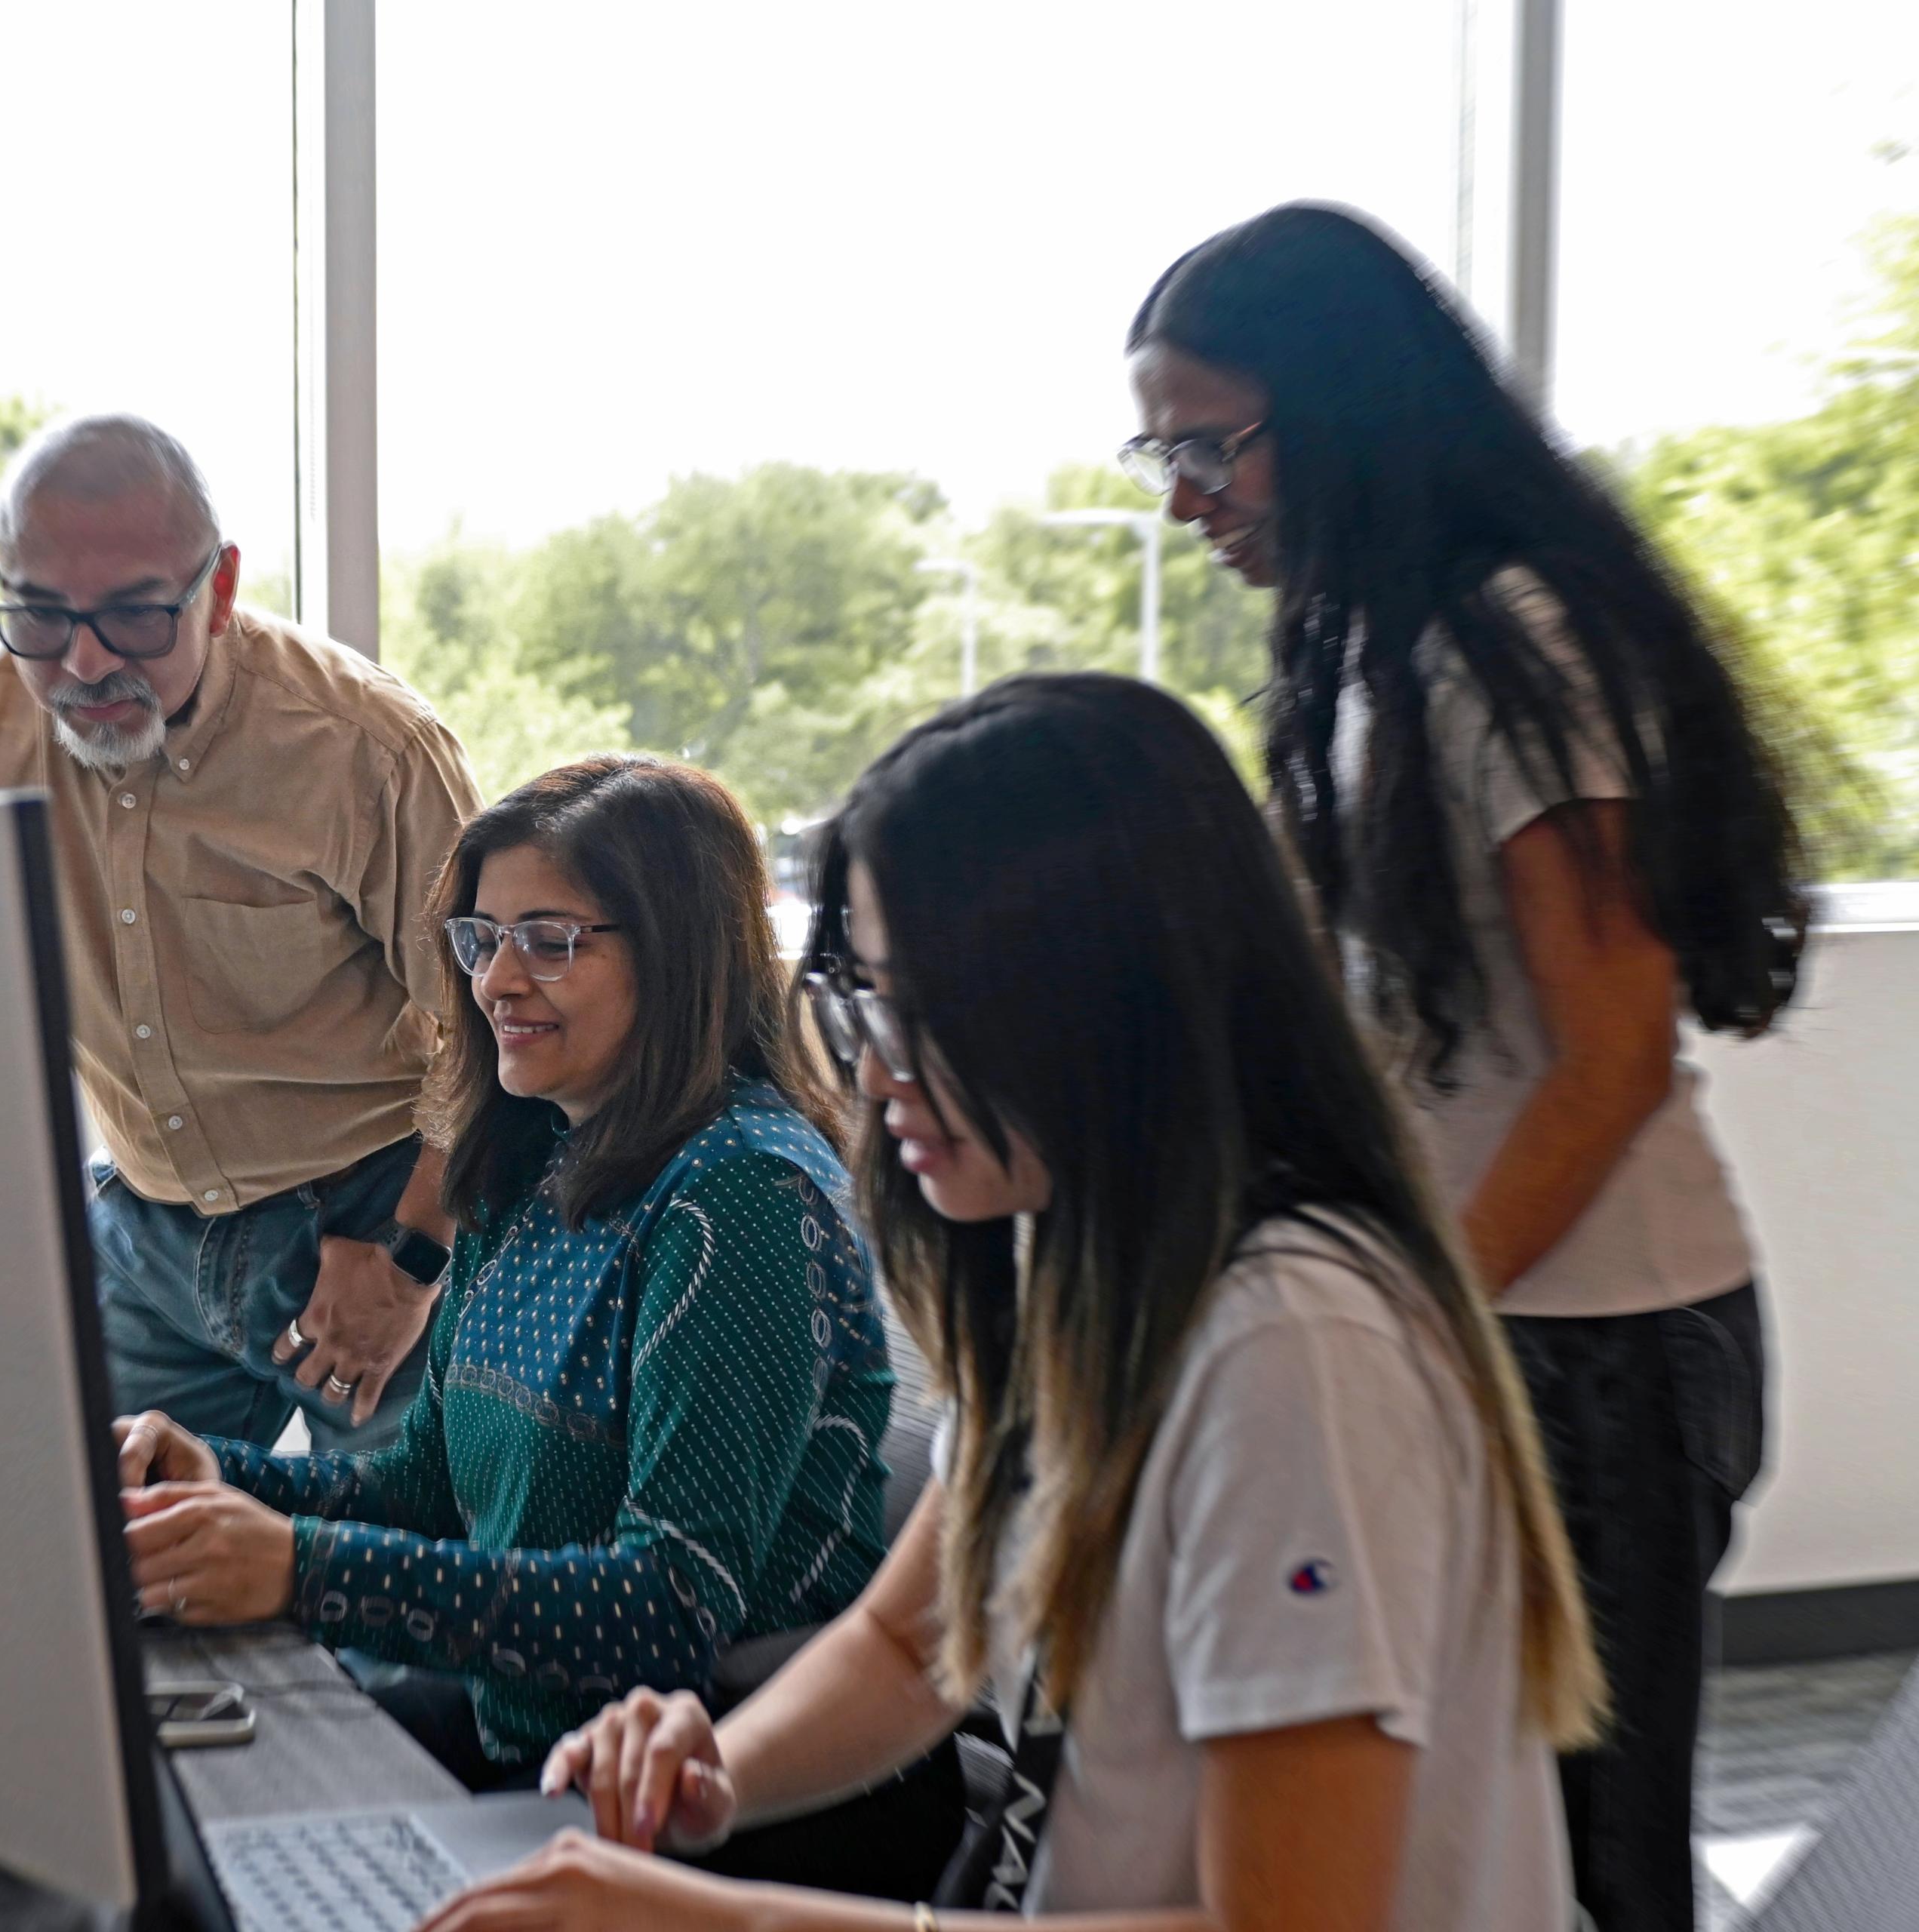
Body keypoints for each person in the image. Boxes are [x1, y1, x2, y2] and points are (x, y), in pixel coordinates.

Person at [430, 677, 1602, 1930]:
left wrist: (725, 1919)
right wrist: (709, 1782)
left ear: (1107, 997)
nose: (875, 1074)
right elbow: (908, 1647)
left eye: (924, 1014)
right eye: (862, 1002)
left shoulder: (1290, 1349)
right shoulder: (1090, 1270)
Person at [1124, 202, 1806, 1929]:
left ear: (1343, 411)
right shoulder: (1364, 642)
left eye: (1214, 446)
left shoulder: (1516, 641)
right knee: (1473, 1840)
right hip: (1501, 1327)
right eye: (1163, 450)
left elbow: (1613, 1051)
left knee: (1597, 1858)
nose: (1184, 496)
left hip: (1596, 1348)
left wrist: (1430, 1330)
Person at [113, 755, 894, 1785]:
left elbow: (666, 1609)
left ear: (680, 954)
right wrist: (217, 1478)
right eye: (483, 940)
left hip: (706, 1782)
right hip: (538, 1736)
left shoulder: (740, 1196)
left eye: (551, 942)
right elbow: (424, 1489)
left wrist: (296, 1569)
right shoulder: (529, 1160)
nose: (495, 980)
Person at [0, 414, 481, 1451]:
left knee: (401, 1579)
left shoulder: (366, 752)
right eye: (39, 616)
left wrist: (413, 1261)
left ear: (219, 588)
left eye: (134, 616)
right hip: (141, 1225)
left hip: (372, 1212)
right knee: (116, 1577)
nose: (82, 661)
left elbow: (495, 1032)